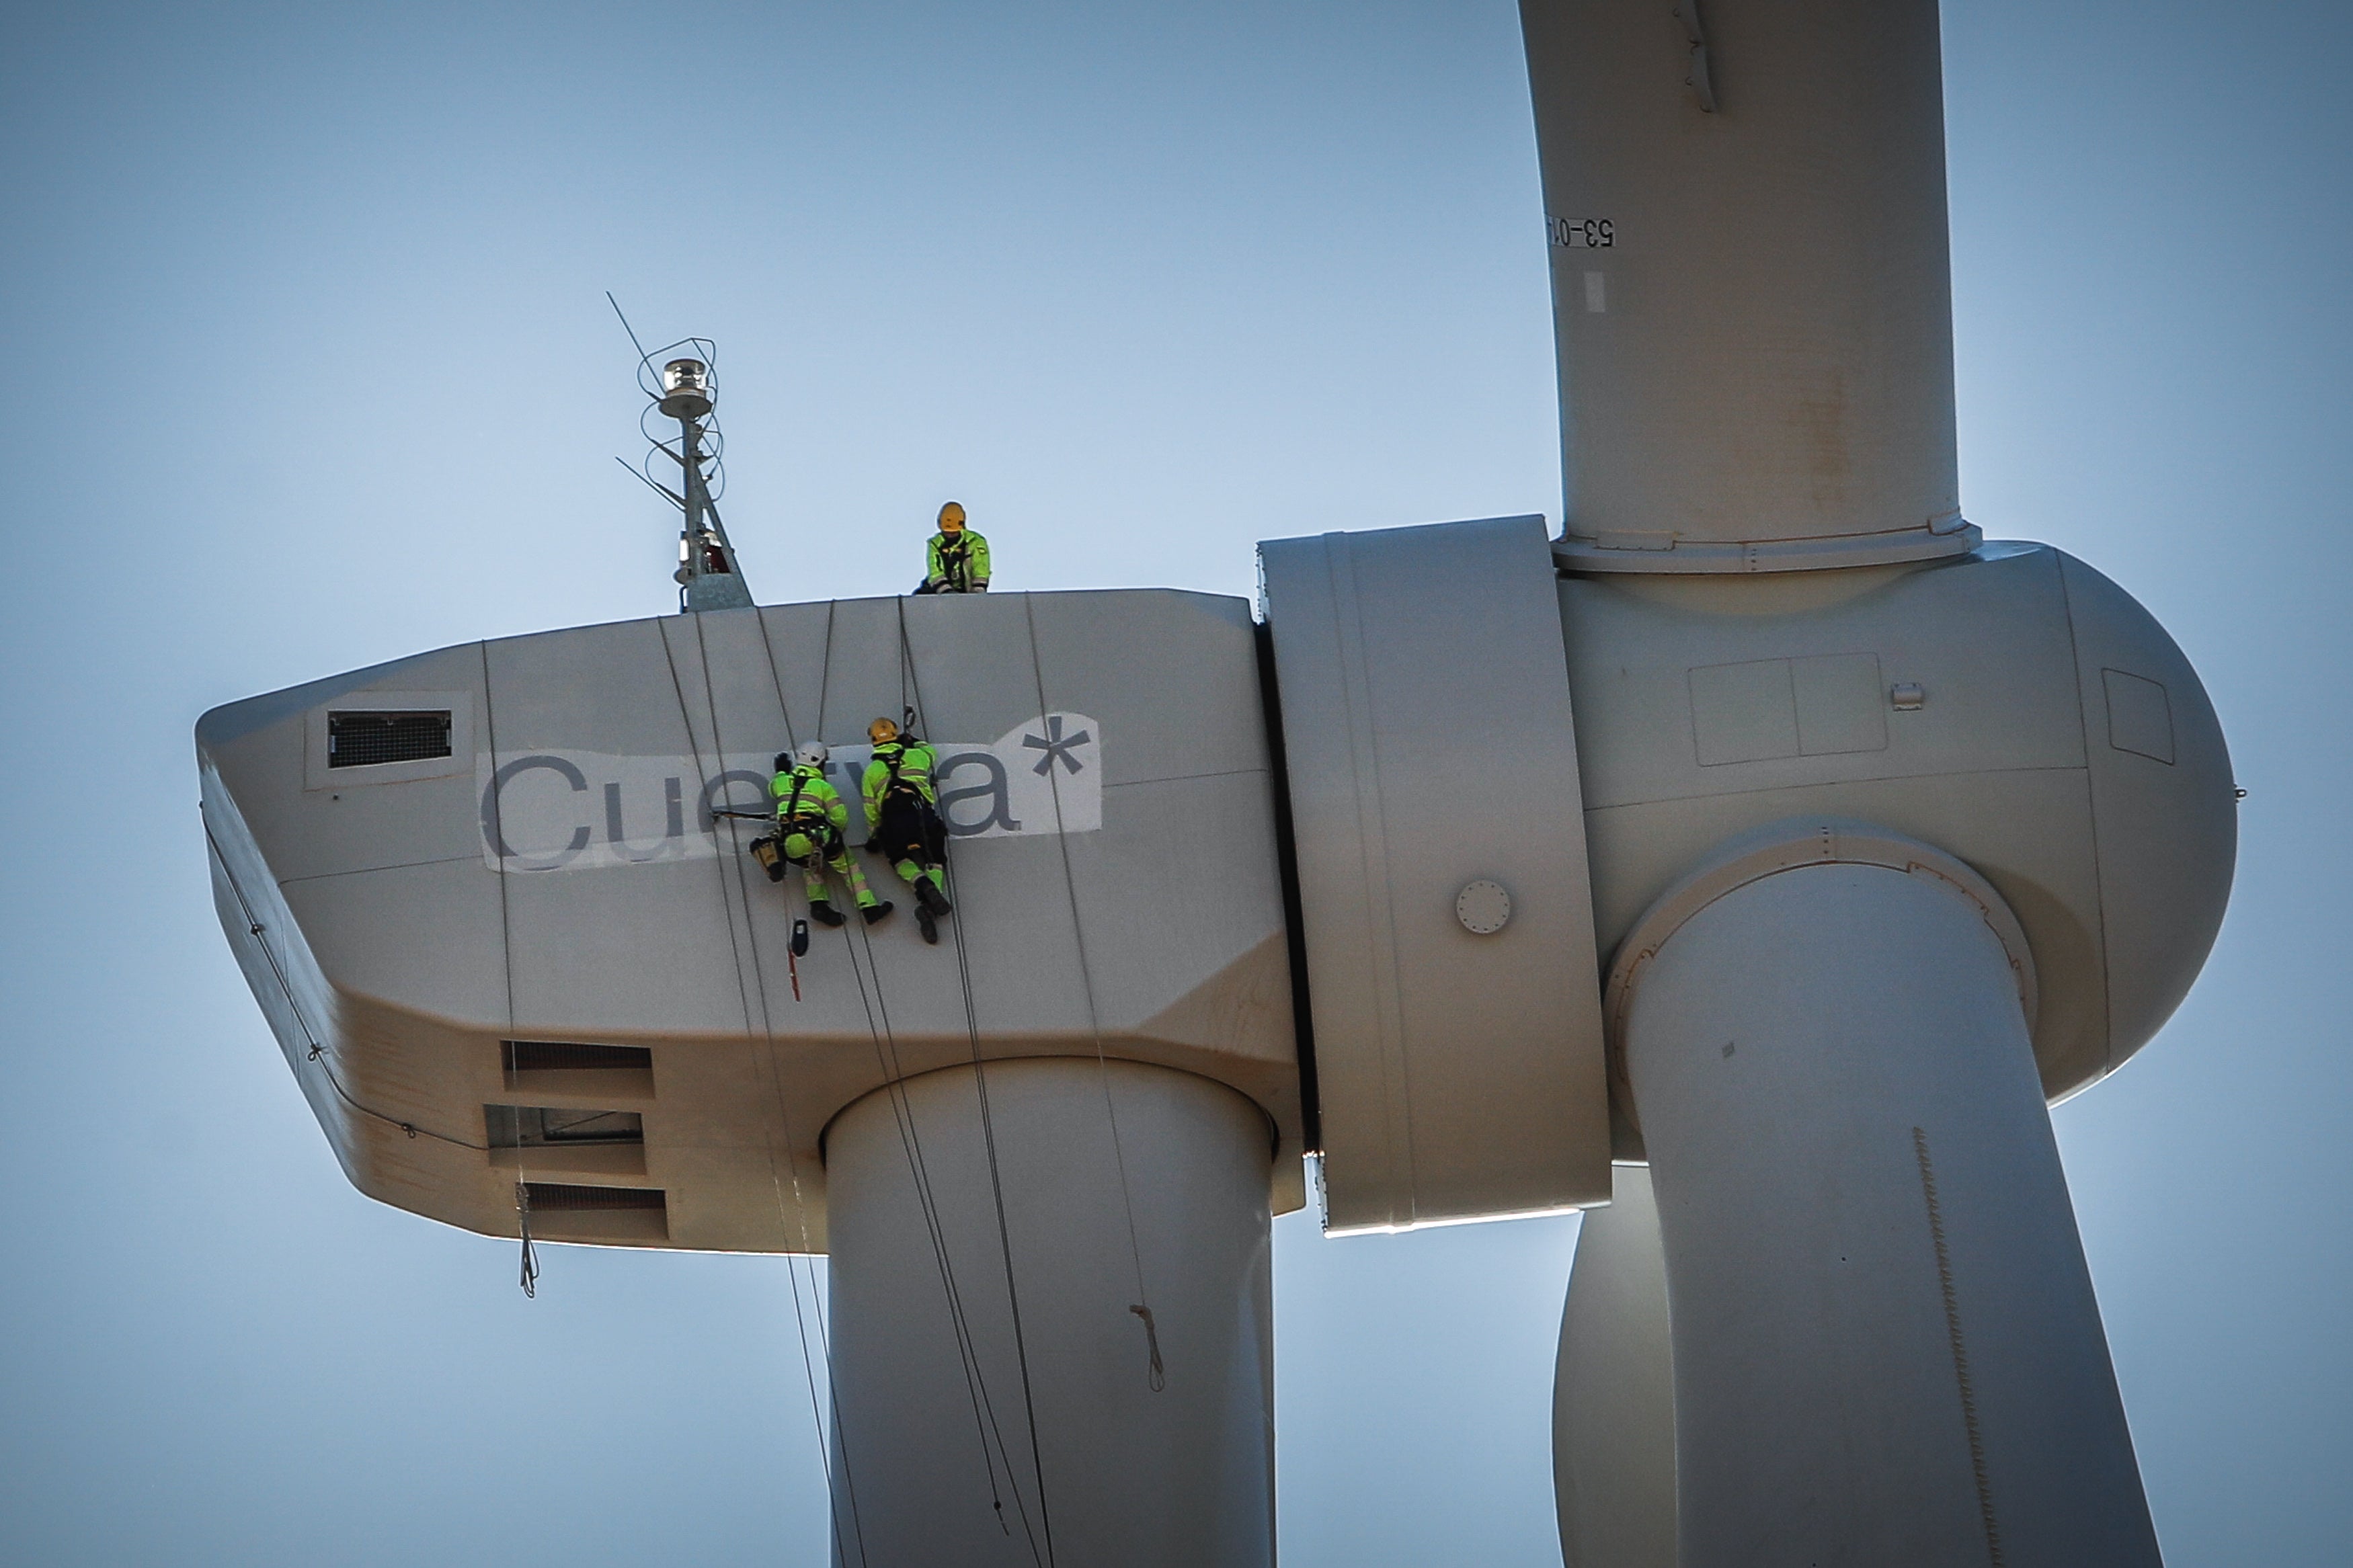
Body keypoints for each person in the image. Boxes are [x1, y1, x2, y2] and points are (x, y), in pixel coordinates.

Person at [766, 741, 891, 927]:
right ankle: (869, 908)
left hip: (789, 844)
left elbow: (772, 788)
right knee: (849, 868)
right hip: (817, 837)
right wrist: (835, 834)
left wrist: (781, 771)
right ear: (821, 763)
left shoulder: (781, 782)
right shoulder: (822, 786)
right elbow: (841, 817)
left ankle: (819, 907)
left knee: (810, 867)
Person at [861, 716, 955, 944]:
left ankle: (923, 885)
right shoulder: (917, 756)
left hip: (894, 822)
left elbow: (870, 810)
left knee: (899, 858)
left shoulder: (872, 772)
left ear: (874, 742)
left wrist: (874, 835)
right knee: (935, 858)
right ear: (896, 735)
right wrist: (912, 741)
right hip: (922, 816)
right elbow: (930, 752)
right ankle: (928, 905)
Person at [917, 501, 990, 594]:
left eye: (953, 533)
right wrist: (947, 592)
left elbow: (981, 568)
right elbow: (935, 571)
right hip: (941, 590)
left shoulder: (976, 542)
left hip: (968, 590)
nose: (950, 536)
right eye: (947, 532)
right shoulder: (935, 544)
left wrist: (977, 592)